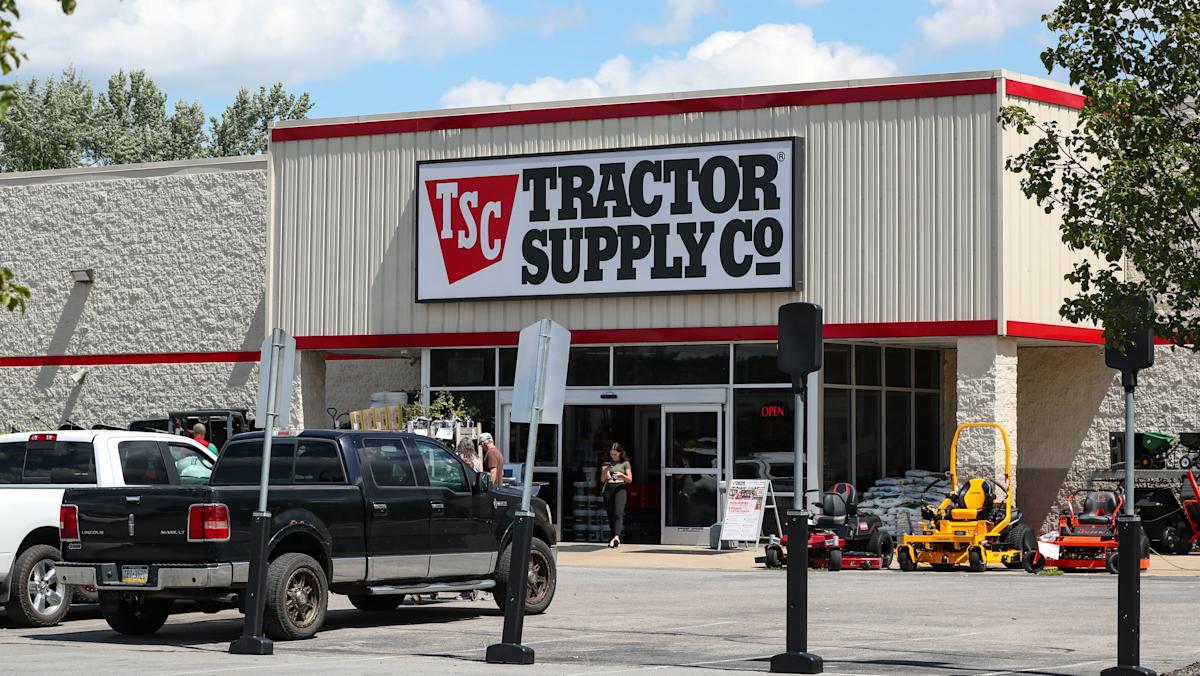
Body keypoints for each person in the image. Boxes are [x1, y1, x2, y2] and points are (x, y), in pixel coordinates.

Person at [601, 442, 633, 548]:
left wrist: (621, 475)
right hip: (609, 487)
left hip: (620, 487)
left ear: (620, 453)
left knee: (618, 513)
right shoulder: (607, 462)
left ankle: (616, 536)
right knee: (610, 514)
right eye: (611, 454)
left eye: (615, 454)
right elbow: (602, 479)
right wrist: (606, 470)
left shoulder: (625, 463)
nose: (613, 456)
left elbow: (630, 479)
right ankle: (613, 536)